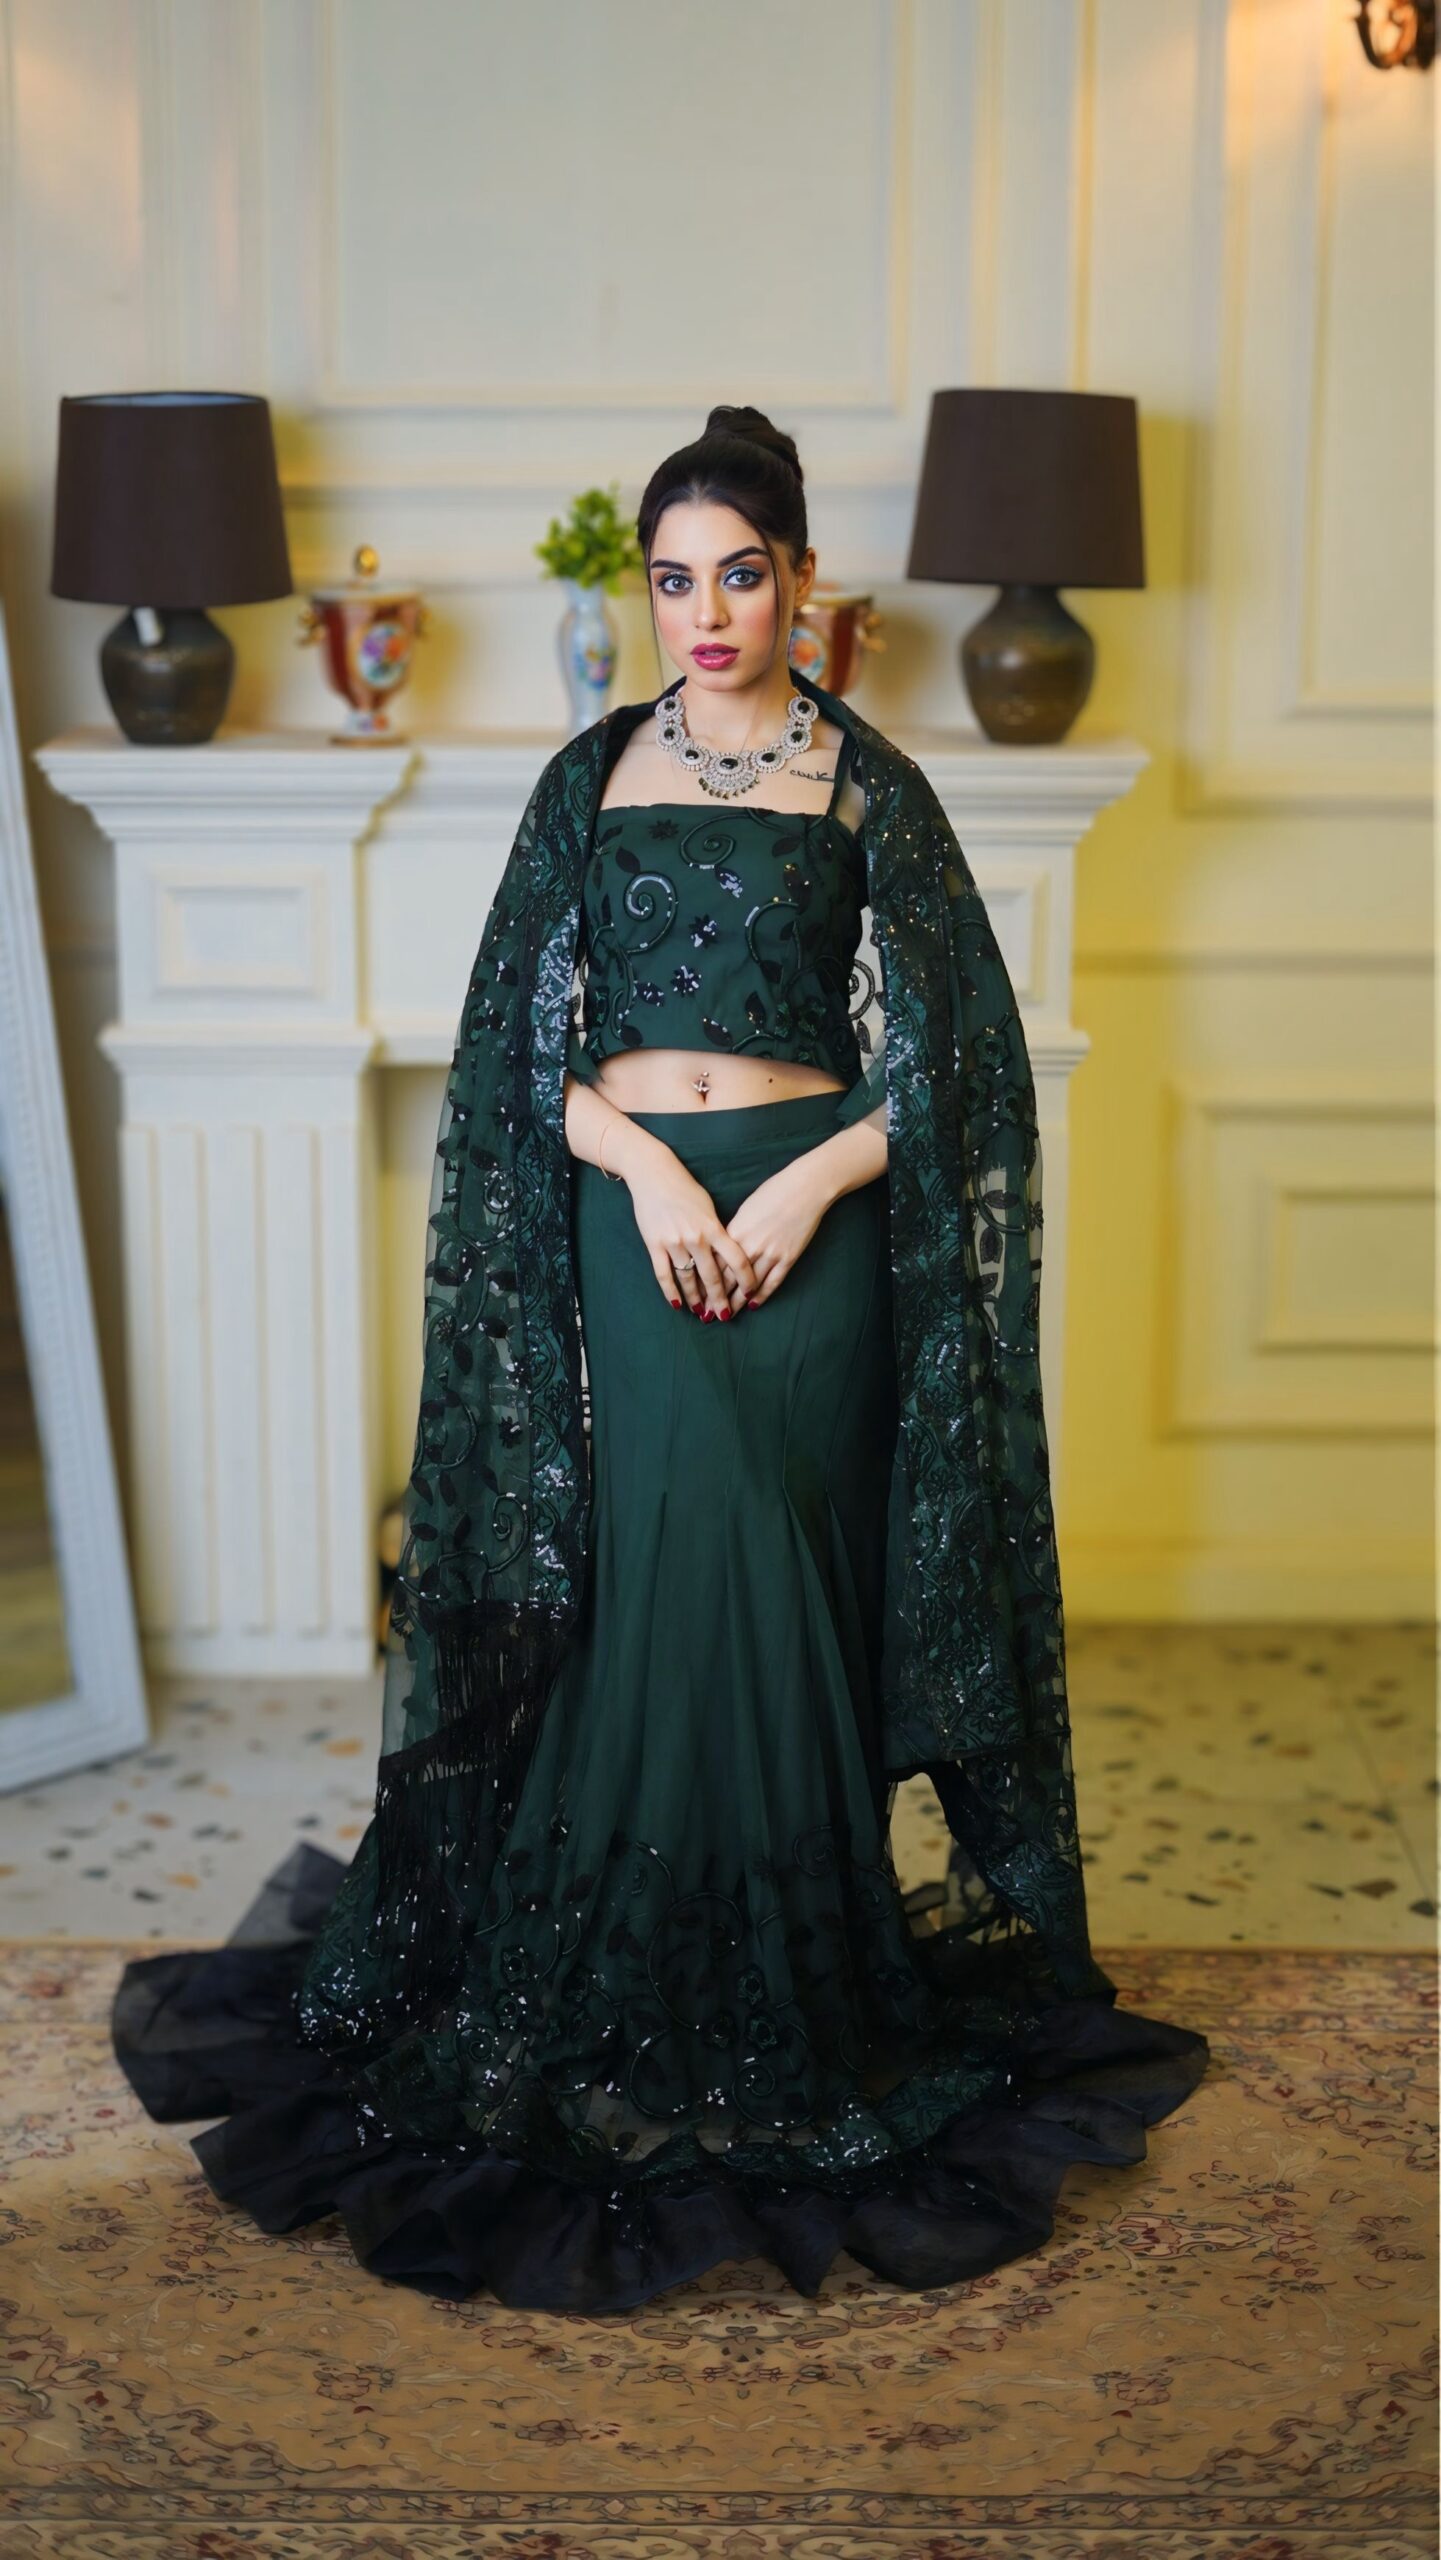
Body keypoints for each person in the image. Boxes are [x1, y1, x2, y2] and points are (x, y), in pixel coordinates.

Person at [111, 405, 1209, 2316]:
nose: (705, 612)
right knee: (654, 1580)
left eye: (740, 575)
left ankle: (797, 1998)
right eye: (673, 578)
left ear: (802, 585)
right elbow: (507, 1060)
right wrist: (639, 1168)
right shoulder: (590, 774)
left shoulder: (866, 786)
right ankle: (612, 1975)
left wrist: (805, 1185)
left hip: (808, 1234)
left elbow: (959, 1071)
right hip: (638, 1225)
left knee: (778, 1573)